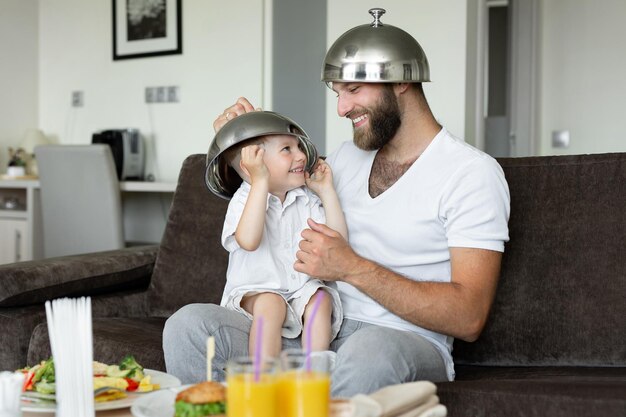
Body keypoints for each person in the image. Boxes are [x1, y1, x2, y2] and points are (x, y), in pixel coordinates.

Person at [163, 8, 510, 396]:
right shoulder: (344, 159)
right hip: (313, 329)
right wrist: (240, 139)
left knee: (367, 353)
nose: (342, 109)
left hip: (399, 339)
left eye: (353, 89)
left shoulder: (471, 173)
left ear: (400, 81)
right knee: (188, 326)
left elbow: (469, 317)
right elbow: (272, 192)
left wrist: (352, 268)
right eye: (338, 93)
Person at [206, 111, 346, 361]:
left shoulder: (306, 198)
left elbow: (337, 243)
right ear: (253, 167)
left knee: (321, 298)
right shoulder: (243, 199)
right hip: (255, 292)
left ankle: (314, 372)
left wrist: (327, 192)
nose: (301, 155)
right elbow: (248, 241)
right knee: (272, 304)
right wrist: (260, 182)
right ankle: (263, 378)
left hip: (299, 290)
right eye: (287, 149)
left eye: (298, 147)